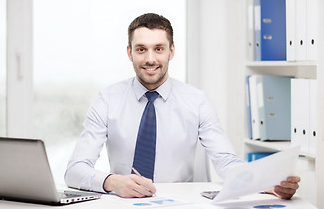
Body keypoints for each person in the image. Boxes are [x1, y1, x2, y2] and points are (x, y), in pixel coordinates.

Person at [65, 13, 300, 199]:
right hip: (123, 202)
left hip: (180, 204)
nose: (150, 59)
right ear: (129, 53)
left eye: (158, 48)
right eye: (141, 49)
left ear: (171, 51)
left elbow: (226, 161)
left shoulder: (196, 101)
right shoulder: (107, 100)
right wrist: (113, 181)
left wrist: (267, 184)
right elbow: (75, 170)